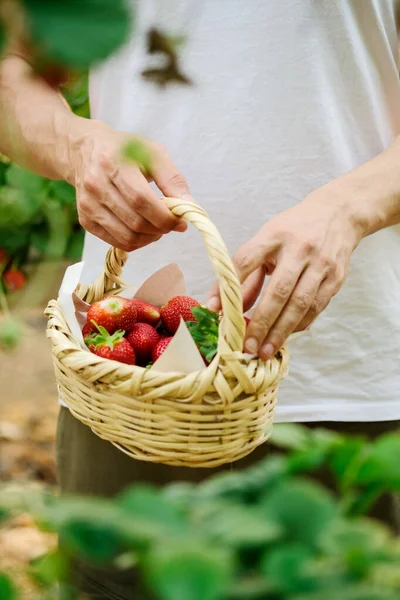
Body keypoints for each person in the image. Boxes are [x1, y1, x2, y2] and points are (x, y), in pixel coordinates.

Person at [1, 0, 400, 597]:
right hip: (129, 396)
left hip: (359, 385)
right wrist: (75, 146)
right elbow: (13, 67)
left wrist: (350, 208)